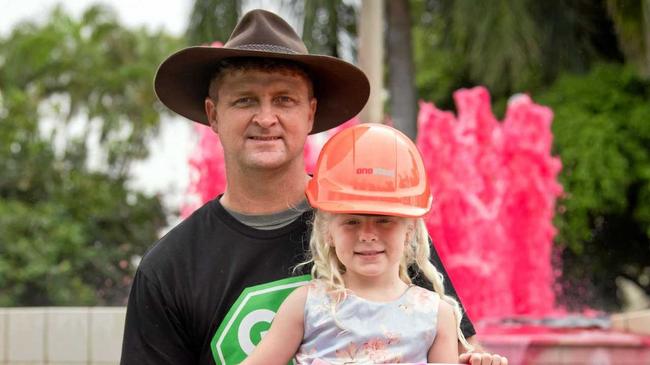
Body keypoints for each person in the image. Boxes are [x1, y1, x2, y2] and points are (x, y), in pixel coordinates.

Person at [120, 8, 506, 365]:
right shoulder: (169, 269)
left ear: (311, 112)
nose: (266, 117)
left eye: (284, 99)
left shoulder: (377, 221)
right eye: (244, 100)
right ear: (213, 114)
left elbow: (457, 348)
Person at [242, 123, 469, 365]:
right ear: (328, 231)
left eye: (384, 221)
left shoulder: (436, 315)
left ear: (409, 230)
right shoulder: (307, 305)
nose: (367, 235)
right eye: (352, 221)